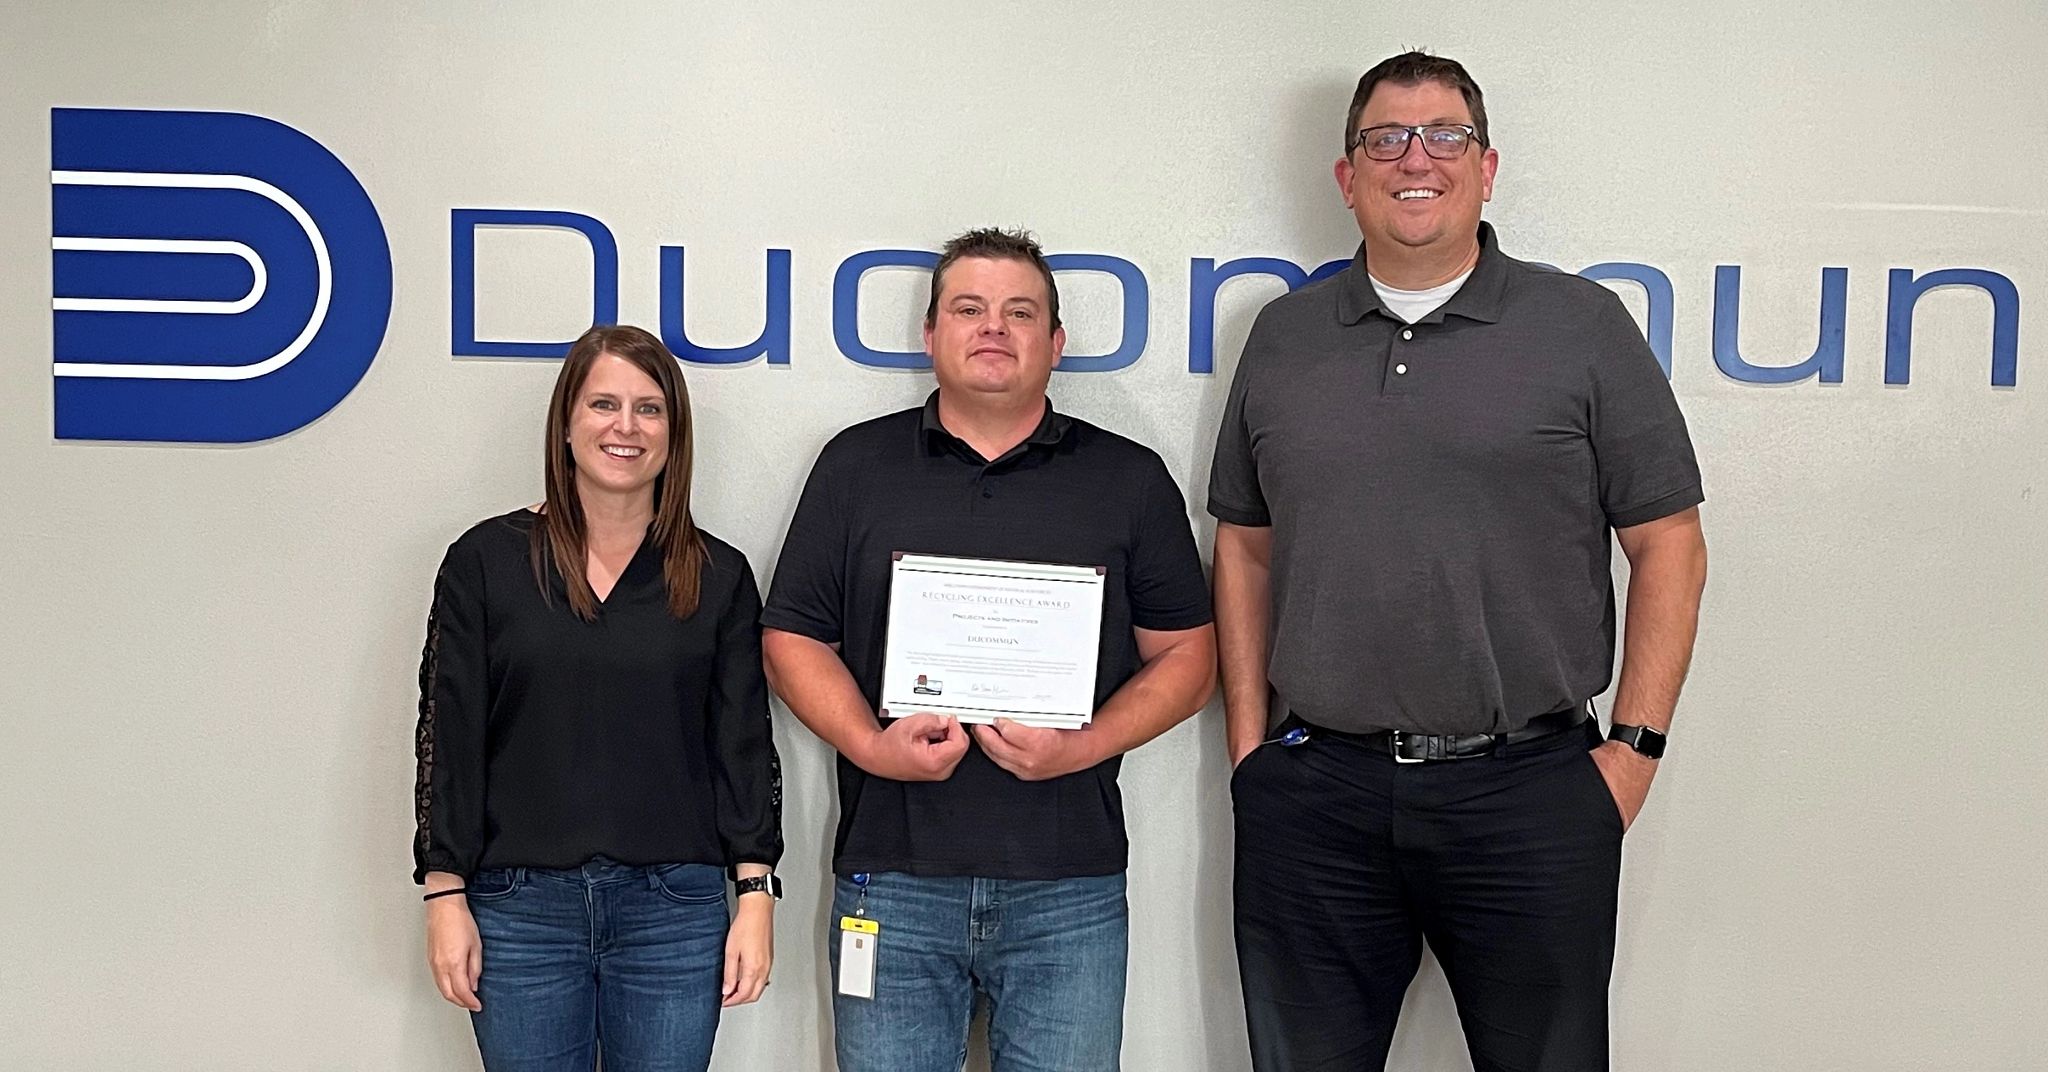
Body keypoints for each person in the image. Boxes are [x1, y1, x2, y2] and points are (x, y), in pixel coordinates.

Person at [1209, 52, 1710, 1072]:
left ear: (1486, 169)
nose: (1414, 158)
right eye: (1383, 138)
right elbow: (1245, 548)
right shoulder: (1282, 335)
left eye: (1444, 136)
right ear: (1346, 175)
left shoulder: (1580, 327)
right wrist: (1252, 756)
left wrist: (1632, 752)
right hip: (1316, 794)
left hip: (1528, 790)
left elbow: (1668, 544)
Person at [761, 228, 1217, 1072]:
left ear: (1056, 343)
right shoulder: (856, 466)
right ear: (931, 335)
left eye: (1020, 312)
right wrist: (870, 746)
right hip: (891, 881)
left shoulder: (1128, 478)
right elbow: (791, 636)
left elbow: (1189, 655)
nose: (994, 328)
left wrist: (1081, 746)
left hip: (1067, 887)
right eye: (968, 309)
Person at [411, 324, 783, 1071]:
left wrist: (756, 894)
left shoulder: (717, 575)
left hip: (674, 910)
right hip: (519, 909)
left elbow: (742, 745)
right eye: (604, 404)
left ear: (674, 435)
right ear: (567, 423)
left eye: (649, 409)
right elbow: (448, 734)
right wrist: (444, 895)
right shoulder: (484, 563)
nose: (625, 427)